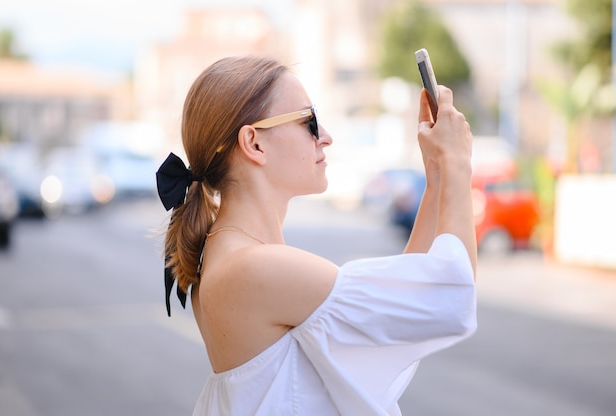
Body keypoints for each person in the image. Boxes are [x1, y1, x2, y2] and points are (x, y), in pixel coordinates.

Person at [155, 55, 477, 416]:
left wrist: (436, 176)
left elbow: (405, 302)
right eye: (310, 121)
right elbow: (449, 299)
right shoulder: (257, 265)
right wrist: (457, 164)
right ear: (254, 143)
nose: (325, 137)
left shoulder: (228, 254)